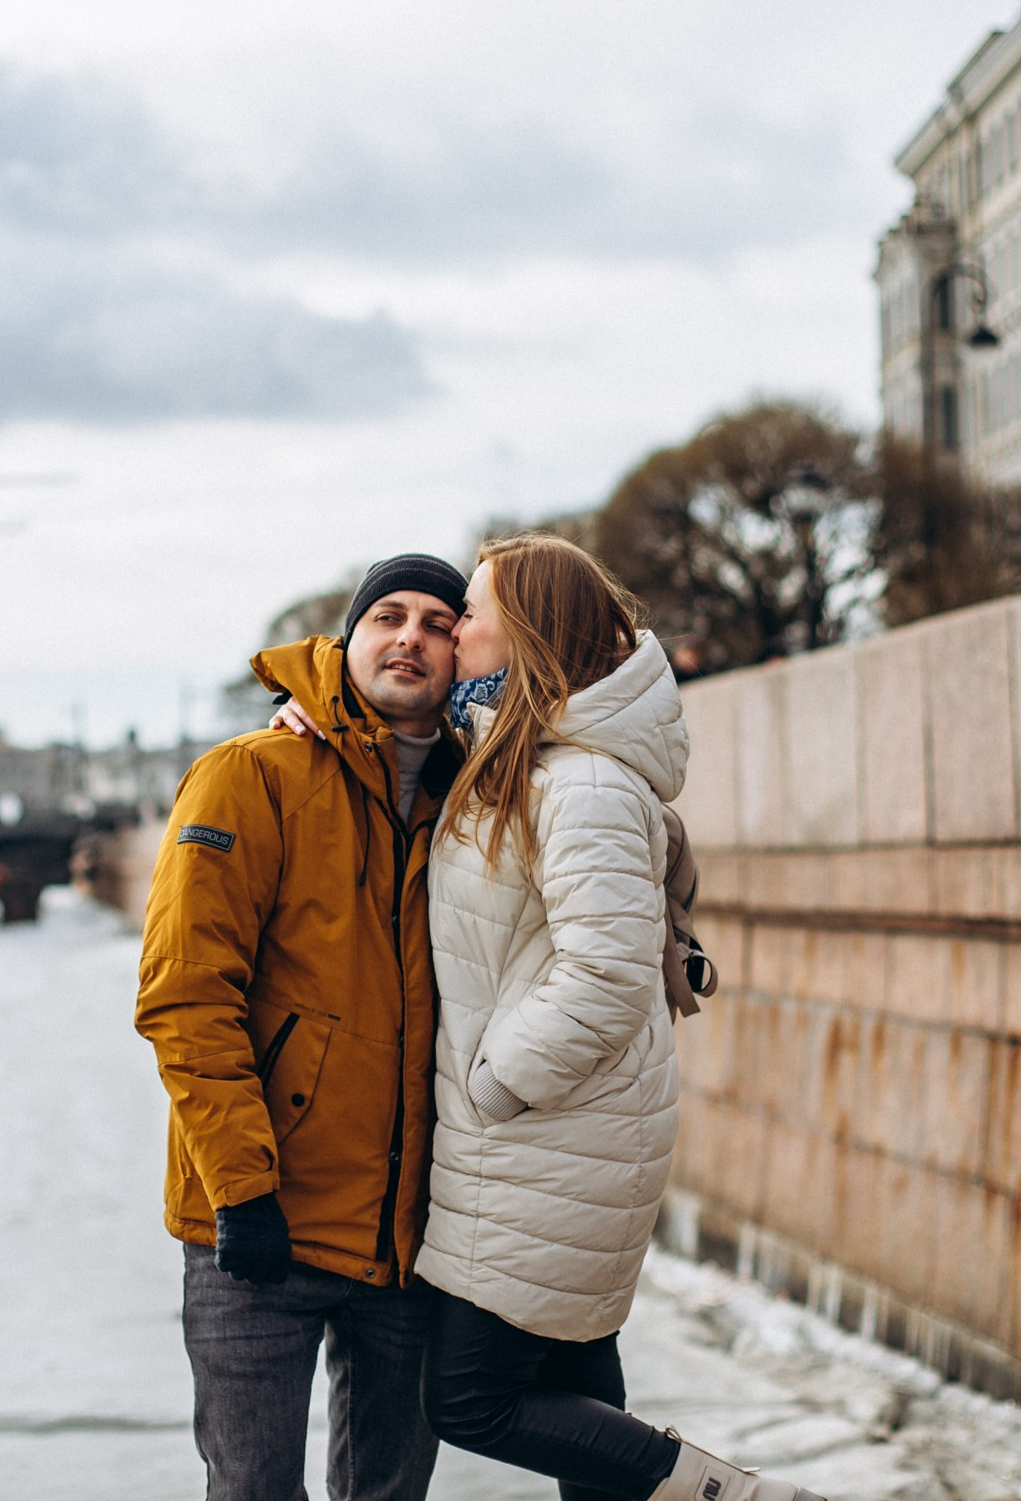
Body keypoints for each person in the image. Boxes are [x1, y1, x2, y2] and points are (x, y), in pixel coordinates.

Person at [414, 535, 825, 1501]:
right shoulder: (526, 758)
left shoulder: (580, 782)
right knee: (571, 1380)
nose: (456, 628)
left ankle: (733, 1496)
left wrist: (496, 1081)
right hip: (560, 1139)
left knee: (471, 1398)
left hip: (540, 1135)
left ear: (528, 629)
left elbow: (606, 974)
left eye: (470, 611)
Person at [136, 552, 470, 1501]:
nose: (410, 636)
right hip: (258, 1231)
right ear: (346, 641)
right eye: (387, 616)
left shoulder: (479, 798)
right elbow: (185, 993)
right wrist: (242, 1192)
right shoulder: (249, 776)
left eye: (438, 624)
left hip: (406, 1242)